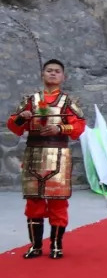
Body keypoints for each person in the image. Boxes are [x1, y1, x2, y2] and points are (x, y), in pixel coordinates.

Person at [7, 59, 87, 259]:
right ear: (43, 75)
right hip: (34, 153)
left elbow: (78, 127)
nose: (52, 74)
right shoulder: (30, 100)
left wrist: (60, 128)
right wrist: (22, 117)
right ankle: (35, 245)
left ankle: (56, 245)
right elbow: (14, 127)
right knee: (34, 201)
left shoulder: (69, 102)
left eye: (57, 71)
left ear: (63, 76)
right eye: (49, 70)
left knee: (58, 202)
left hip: (58, 155)